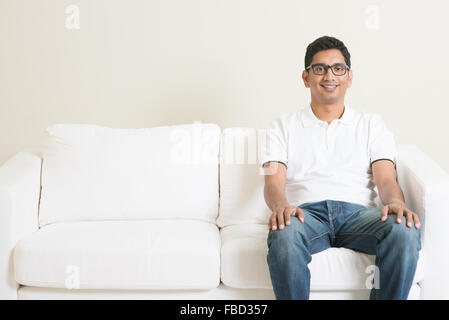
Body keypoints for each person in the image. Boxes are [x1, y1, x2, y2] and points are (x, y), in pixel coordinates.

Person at [261, 36, 421, 300]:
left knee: (404, 229)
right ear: (305, 77)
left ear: (349, 77)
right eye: (319, 68)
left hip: (359, 216)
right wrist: (281, 207)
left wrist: (395, 202)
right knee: (285, 233)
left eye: (338, 68)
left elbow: (386, 180)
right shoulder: (282, 125)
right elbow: (273, 184)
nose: (329, 76)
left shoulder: (372, 124)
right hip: (305, 216)